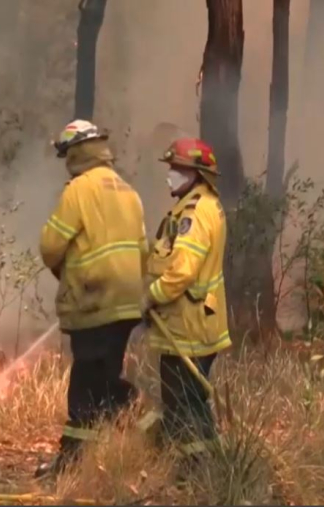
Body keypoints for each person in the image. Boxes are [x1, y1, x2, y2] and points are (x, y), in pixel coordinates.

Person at [35, 119, 148, 478]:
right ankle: (144, 427)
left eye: (67, 153)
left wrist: (66, 274)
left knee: (85, 386)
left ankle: (70, 467)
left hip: (93, 302)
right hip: (127, 304)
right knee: (104, 376)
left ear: (76, 152)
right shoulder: (129, 192)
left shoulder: (79, 191)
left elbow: (51, 245)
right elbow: (142, 251)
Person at [139, 137, 231, 476]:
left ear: (196, 174)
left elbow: (182, 271)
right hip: (192, 323)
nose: (171, 175)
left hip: (188, 326)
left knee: (183, 404)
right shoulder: (201, 205)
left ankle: (193, 472)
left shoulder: (195, 213)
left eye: (177, 169)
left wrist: (152, 296)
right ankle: (205, 469)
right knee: (192, 402)